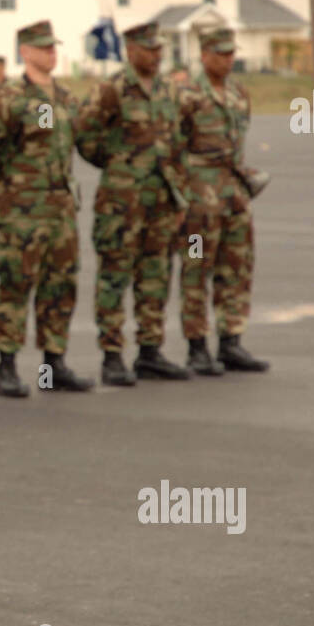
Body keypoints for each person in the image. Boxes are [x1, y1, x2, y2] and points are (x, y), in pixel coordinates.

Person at [0, 19, 93, 397]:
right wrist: (8, 188)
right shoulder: (8, 98)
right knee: (16, 286)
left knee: (61, 285)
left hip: (61, 211)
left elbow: (83, 143)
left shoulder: (65, 98)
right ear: (25, 52)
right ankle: (6, 368)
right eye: (43, 48)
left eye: (53, 47)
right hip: (22, 214)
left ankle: (54, 366)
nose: (51, 53)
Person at [75, 21, 192, 386]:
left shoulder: (168, 91)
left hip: (160, 200)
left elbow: (177, 139)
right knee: (114, 276)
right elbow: (85, 135)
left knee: (156, 274)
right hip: (120, 204)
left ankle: (150, 350)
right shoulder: (111, 90)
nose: (157, 55)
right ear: (131, 51)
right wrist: (118, 166)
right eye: (149, 49)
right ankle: (112, 355)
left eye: (160, 49)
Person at [175, 28, 269, 374]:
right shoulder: (186, 95)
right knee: (196, 270)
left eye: (232, 53)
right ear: (204, 56)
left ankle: (231, 340)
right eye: (221, 54)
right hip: (199, 200)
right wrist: (179, 199)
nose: (229, 59)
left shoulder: (238, 93)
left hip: (234, 197)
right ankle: (196, 346)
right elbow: (172, 148)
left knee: (237, 267)